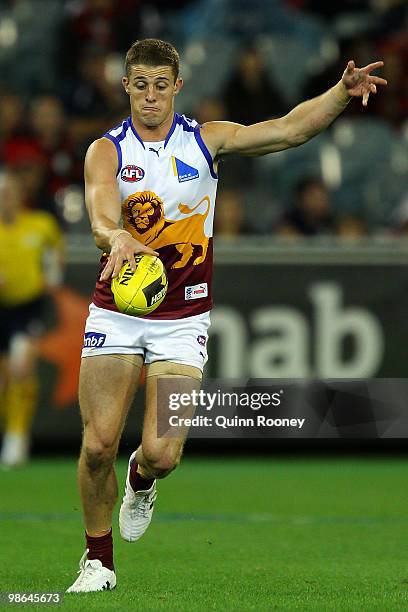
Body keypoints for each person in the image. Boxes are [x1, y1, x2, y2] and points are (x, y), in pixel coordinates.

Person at [66, 38, 387, 592]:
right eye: (139, 84)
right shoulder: (106, 151)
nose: (149, 96)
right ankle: (97, 561)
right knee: (97, 445)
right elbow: (98, 212)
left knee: (163, 455)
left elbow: (288, 130)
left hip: (183, 318)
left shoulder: (205, 141)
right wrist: (115, 234)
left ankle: (142, 479)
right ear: (125, 86)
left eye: (160, 85)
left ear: (177, 87)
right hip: (117, 310)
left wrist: (340, 92)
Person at [0, 169, 63, 466]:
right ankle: (11, 430)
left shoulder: (41, 225)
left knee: (21, 368)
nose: (5, 199)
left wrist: (48, 280)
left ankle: (16, 437)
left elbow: (55, 259)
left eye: (9, 193)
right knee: (4, 378)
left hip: (28, 307)